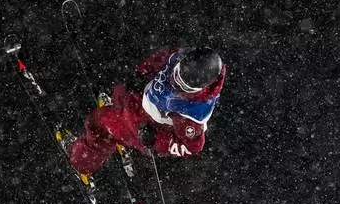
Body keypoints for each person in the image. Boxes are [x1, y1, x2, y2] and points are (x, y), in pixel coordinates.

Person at [67, 46, 226, 177]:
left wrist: (156, 139)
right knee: (119, 91)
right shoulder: (178, 57)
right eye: (176, 75)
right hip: (138, 99)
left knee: (100, 123)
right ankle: (117, 110)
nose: (174, 84)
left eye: (183, 87)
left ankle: (81, 163)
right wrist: (141, 74)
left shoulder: (192, 113)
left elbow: (192, 147)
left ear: (199, 89)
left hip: (142, 125)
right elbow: (159, 61)